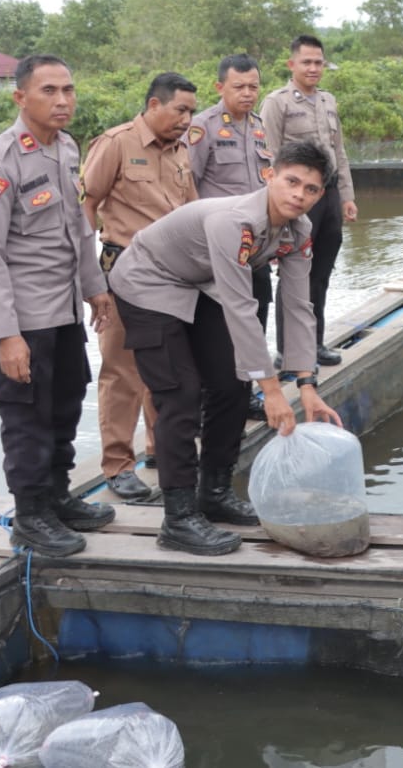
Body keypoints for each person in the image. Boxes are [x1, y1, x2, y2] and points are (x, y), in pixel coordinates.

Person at [106, 141, 343, 555]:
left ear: (320, 195)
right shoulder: (235, 222)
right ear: (270, 175)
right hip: (147, 282)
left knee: (233, 384)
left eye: (310, 189)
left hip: (198, 283)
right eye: (291, 181)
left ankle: (212, 493)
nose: (298, 195)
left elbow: (298, 304)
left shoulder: (298, 231)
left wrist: (306, 384)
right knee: (180, 395)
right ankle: (178, 519)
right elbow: (240, 308)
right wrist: (271, 390)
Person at [0, 55, 116, 557]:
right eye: (49, 91)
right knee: (26, 419)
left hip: (65, 312)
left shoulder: (67, 149)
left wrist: (96, 288)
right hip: (24, 320)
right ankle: (30, 516)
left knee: (65, 408)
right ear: (20, 98)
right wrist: (6, 334)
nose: (62, 101)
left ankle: (57, 498)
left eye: (68, 90)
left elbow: (79, 228)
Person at [81, 73, 199, 500]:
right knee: (121, 371)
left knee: (164, 372)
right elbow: (87, 204)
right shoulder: (115, 144)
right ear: (153, 104)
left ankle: (160, 452)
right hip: (121, 272)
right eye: (179, 110)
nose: (186, 120)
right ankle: (117, 465)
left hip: (170, 279)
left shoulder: (182, 151)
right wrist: (90, 278)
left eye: (190, 112)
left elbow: (193, 213)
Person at [258, 35, 355, 366]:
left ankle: (314, 344)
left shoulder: (328, 100)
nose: (314, 68)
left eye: (319, 63)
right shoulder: (277, 102)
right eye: (307, 62)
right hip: (297, 201)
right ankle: (289, 350)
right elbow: (268, 158)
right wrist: (275, 212)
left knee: (321, 274)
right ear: (291, 65)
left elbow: (338, 152)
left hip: (328, 196)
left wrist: (346, 196)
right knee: (294, 273)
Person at [189, 54, 274, 417]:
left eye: (253, 86)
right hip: (219, 250)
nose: (247, 93)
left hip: (255, 247)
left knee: (257, 316)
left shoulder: (260, 127)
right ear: (220, 87)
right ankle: (213, 402)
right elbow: (186, 187)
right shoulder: (201, 128)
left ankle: (249, 392)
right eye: (239, 86)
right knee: (219, 331)